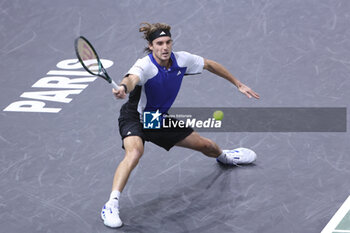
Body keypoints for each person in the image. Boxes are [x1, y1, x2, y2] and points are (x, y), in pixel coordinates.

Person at [101, 22, 260, 228]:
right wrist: (123, 87)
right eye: (159, 43)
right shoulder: (145, 65)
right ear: (151, 46)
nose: (165, 47)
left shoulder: (182, 59)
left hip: (156, 118)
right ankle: (111, 204)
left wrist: (238, 83)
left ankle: (226, 157)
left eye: (168, 42)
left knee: (206, 146)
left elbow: (210, 64)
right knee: (134, 152)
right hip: (135, 117)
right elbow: (132, 78)